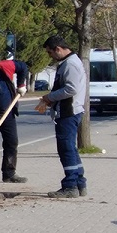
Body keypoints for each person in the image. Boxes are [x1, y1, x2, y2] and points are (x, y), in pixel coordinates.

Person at [36, 36, 87, 198]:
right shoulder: (70, 62)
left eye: (50, 52)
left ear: (58, 48)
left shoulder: (71, 64)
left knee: (66, 149)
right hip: (69, 111)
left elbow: (71, 89)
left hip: (69, 112)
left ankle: (70, 185)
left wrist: (50, 97)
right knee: (70, 148)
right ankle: (79, 182)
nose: (50, 56)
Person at [0, 49, 29, 185]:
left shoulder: (6, 66)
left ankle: (9, 173)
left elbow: (23, 67)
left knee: (12, 141)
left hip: (8, 112)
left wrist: (21, 85)